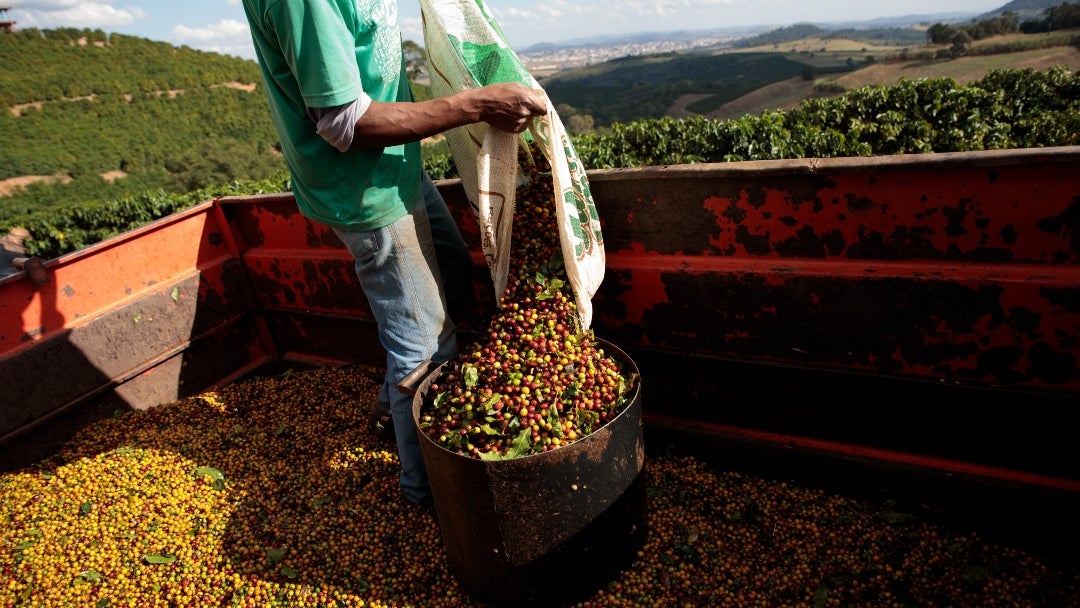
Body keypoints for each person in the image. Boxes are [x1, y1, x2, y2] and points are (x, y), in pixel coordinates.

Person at [241, 0, 547, 508]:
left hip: (396, 166)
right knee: (425, 349)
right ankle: (425, 496)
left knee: (451, 275)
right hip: (365, 187)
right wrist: (476, 104)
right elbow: (346, 124)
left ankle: (393, 412)